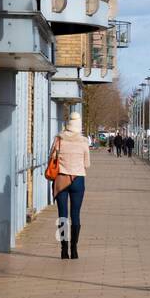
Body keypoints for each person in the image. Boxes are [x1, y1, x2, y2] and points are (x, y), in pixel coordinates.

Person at [53, 111, 91, 260]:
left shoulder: (59, 139)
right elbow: (87, 164)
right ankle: (74, 249)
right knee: (75, 214)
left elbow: (53, 157)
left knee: (62, 215)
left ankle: (63, 250)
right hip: (78, 180)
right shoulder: (83, 141)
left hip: (61, 179)